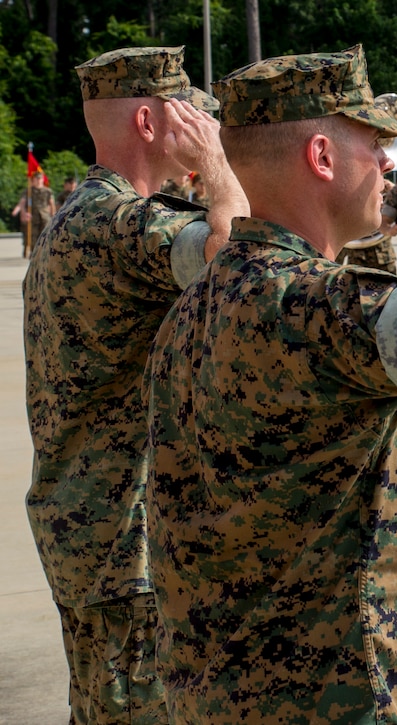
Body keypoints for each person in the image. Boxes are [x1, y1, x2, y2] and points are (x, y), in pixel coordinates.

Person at [144, 46, 397, 722]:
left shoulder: (191, 307)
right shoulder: (311, 302)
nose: (387, 165)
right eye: (372, 145)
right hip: (331, 696)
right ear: (321, 156)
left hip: (214, 693)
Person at [22, 45, 246, 723]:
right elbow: (237, 258)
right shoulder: (113, 225)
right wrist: (218, 166)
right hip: (125, 546)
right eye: (195, 120)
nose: (207, 131)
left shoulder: (88, 216)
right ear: (149, 123)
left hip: (98, 534)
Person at [336, 178, 397, 274]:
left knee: (390, 286)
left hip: (381, 251)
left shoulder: (387, 188)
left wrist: (394, 191)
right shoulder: (347, 185)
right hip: (355, 252)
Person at [12, 169, 56, 256]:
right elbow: (22, 203)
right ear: (33, 180)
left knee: (45, 235)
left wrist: (54, 215)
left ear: (43, 180)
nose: (39, 181)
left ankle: (44, 253)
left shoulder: (48, 191)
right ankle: (34, 253)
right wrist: (24, 213)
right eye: (37, 179)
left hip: (45, 216)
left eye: (40, 179)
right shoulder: (28, 191)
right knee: (33, 236)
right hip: (32, 217)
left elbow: (52, 204)